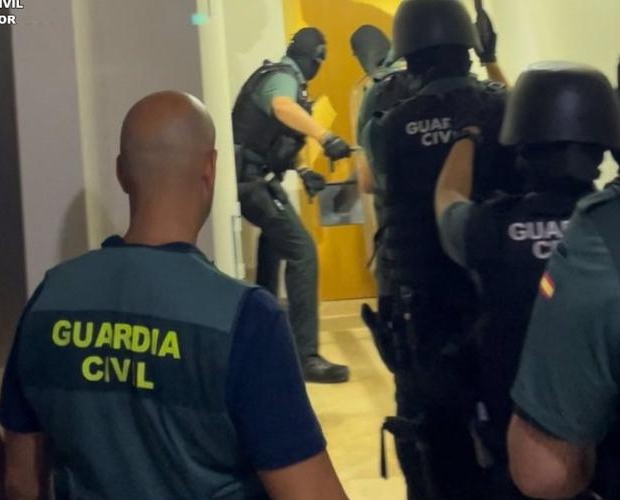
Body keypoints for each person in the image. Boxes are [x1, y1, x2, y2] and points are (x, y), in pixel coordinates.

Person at [0, 91, 349, 500]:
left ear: (121, 173)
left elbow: (21, 481)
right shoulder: (246, 318)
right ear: (210, 169)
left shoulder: (50, 297)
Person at [435, 62, 620, 499]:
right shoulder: (603, 230)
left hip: (522, 454)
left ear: (519, 147)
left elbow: (445, 200)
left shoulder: (485, 228)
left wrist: (467, 135)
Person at [360, 1, 521, 498]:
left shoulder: (387, 126)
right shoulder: (502, 107)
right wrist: (492, 63)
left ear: (409, 58)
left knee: (429, 447)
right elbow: (524, 120)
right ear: (468, 48)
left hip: (423, 318)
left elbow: (372, 180)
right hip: (497, 311)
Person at [232, 27, 351, 383]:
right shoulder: (282, 79)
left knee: (274, 246)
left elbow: (274, 137)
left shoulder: (284, 78)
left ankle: (262, 339)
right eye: (320, 59)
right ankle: (305, 357)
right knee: (302, 251)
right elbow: (281, 108)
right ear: (314, 57)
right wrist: (325, 137)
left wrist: (302, 170)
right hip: (249, 181)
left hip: (256, 178)